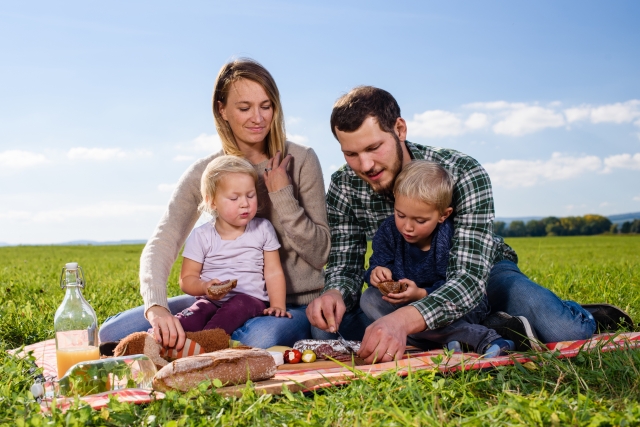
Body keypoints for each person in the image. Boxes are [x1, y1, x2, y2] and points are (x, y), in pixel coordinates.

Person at [306, 85, 597, 365]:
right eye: (351, 154)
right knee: (325, 332)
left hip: (482, 276)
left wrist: (402, 320)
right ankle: (490, 328)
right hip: (404, 287)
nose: (365, 165)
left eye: (374, 147)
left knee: (564, 332)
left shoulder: (462, 171)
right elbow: (345, 266)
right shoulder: (344, 184)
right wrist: (335, 293)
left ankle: (584, 314)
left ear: (399, 129)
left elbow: (469, 280)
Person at [99, 58, 330, 349]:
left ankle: (190, 347)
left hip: (288, 305)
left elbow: (319, 252)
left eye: (266, 106)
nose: (258, 118)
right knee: (112, 333)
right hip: (217, 299)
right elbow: (163, 240)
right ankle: (191, 343)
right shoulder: (207, 172)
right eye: (244, 108)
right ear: (222, 110)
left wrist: (282, 195)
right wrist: (156, 307)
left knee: (257, 339)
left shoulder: (301, 159)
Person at [361, 160, 514, 358]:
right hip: (407, 310)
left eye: (420, 220)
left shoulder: (446, 238)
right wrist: (377, 273)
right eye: (400, 215)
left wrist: (421, 294)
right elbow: (377, 264)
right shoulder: (389, 231)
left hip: (454, 307)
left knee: (464, 311)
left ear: (443, 215)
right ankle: (451, 341)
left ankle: (487, 338)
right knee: (370, 299)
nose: (407, 227)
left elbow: (457, 288)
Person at [174, 155, 291, 336]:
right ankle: (158, 340)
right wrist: (204, 287)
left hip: (251, 300)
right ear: (212, 201)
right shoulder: (201, 235)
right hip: (210, 300)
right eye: (234, 198)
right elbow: (187, 278)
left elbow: (273, 271)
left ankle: (207, 343)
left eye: (250, 195)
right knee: (194, 315)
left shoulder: (263, 228)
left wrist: (277, 305)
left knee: (237, 306)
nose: (245, 203)